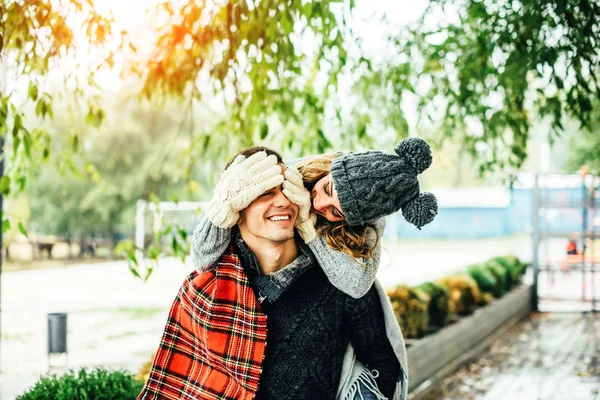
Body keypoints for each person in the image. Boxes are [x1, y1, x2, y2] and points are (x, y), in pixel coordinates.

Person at [138, 148, 407, 400]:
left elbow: (383, 365)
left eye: (287, 190)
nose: (282, 201)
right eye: (265, 192)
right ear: (236, 211)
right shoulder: (205, 292)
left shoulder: (340, 281)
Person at [192, 138, 438, 299]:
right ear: (331, 169)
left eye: (336, 212)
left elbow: (356, 285)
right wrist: (223, 202)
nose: (321, 204)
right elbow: (202, 258)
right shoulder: (283, 174)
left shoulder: (367, 227)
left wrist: (307, 223)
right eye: (328, 189)